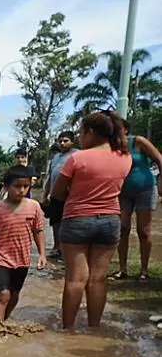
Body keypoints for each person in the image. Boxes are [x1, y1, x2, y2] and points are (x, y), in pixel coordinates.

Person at [50, 111, 132, 330]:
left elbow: (56, 193)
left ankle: (68, 330)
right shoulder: (125, 157)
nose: (80, 138)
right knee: (97, 279)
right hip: (110, 221)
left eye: (81, 133)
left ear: (91, 132)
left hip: (77, 218)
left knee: (75, 279)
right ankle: (94, 328)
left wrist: (76, 194)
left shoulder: (77, 158)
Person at [0, 166, 47, 326]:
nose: (21, 190)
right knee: (3, 294)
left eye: (25, 186)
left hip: (22, 259)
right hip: (0, 258)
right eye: (17, 186)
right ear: (6, 186)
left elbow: (38, 230)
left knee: (14, 295)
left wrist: (42, 254)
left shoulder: (34, 206)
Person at [110, 119, 162, 281]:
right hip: (123, 192)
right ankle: (122, 269)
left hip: (145, 189)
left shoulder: (138, 141)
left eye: (116, 128)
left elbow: (160, 159)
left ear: (125, 129)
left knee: (143, 231)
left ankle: (144, 270)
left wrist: (161, 185)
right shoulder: (111, 147)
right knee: (122, 229)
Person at [42, 132, 76, 259]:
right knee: (55, 222)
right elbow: (50, 177)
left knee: (69, 222)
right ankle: (57, 247)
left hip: (71, 196)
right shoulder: (55, 158)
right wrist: (45, 195)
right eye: (60, 141)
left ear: (72, 142)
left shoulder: (77, 155)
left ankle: (68, 248)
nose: (62, 143)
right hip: (55, 195)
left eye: (65, 141)